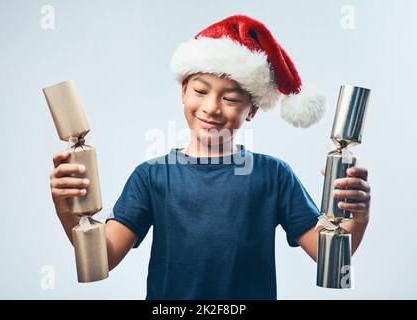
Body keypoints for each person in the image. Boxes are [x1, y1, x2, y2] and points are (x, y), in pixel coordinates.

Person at [49, 15, 371, 299]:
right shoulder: (151, 177)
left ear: (253, 109)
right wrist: (67, 207)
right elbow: (101, 259)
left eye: (231, 98)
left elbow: (332, 259)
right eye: (200, 91)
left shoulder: (273, 175)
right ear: (183, 91)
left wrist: (358, 216)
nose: (212, 107)